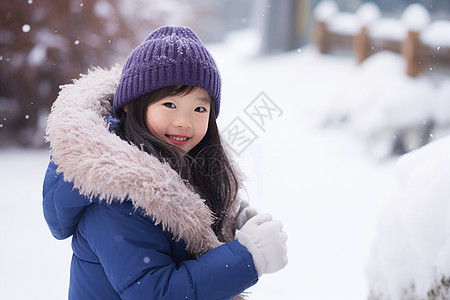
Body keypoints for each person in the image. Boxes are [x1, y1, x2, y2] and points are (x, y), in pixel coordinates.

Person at [43, 25, 288, 299]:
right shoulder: (115, 196)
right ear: (132, 104)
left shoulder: (178, 166)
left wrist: (229, 222)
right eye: (169, 104)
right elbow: (156, 292)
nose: (184, 121)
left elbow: (185, 238)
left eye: (199, 109)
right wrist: (248, 256)